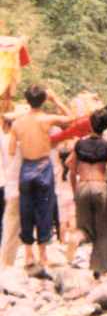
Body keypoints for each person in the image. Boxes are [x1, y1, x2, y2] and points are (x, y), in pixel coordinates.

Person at [9, 84, 71, 275]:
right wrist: (55, 100)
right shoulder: (47, 119)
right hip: (44, 167)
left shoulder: (17, 123)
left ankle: (28, 254)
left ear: (27, 100)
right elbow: (71, 118)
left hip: (27, 168)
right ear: (43, 100)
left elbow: (12, 151)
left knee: (26, 209)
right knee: (44, 210)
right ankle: (43, 255)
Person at [66, 106, 107, 277]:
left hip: (82, 185)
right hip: (100, 186)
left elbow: (70, 166)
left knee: (84, 227)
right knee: (104, 230)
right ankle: (98, 271)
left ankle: (74, 243)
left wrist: (75, 190)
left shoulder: (79, 144)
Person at [0, 109, 23, 268]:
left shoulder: (3, 138)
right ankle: (6, 261)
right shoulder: (19, 142)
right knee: (8, 224)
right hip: (11, 185)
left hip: (5, 182)